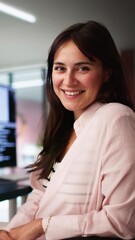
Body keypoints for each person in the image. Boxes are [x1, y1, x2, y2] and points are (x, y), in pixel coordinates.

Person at [0, 20, 135, 240]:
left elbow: (123, 221)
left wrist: (43, 225)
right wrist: (9, 233)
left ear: (107, 73)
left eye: (83, 68)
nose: (68, 81)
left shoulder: (116, 118)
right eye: (60, 68)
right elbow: (40, 194)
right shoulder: (63, 128)